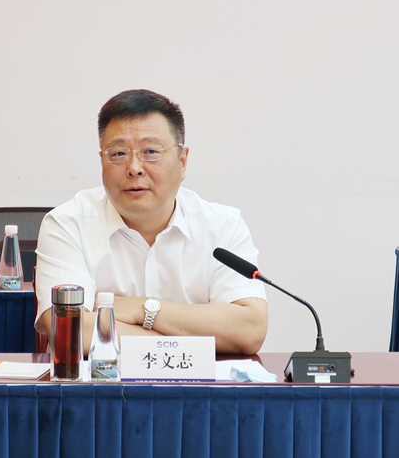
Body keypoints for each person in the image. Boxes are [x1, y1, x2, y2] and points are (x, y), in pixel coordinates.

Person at [35, 89, 267, 354]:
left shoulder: (223, 226)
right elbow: (69, 331)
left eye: (151, 151)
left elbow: (250, 329)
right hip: (100, 381)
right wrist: (195, 338)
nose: (134, 168)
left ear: (182, 161)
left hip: (200, 383)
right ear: (102, 160)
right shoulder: (67, 224)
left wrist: (142, 308)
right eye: (118, 153)